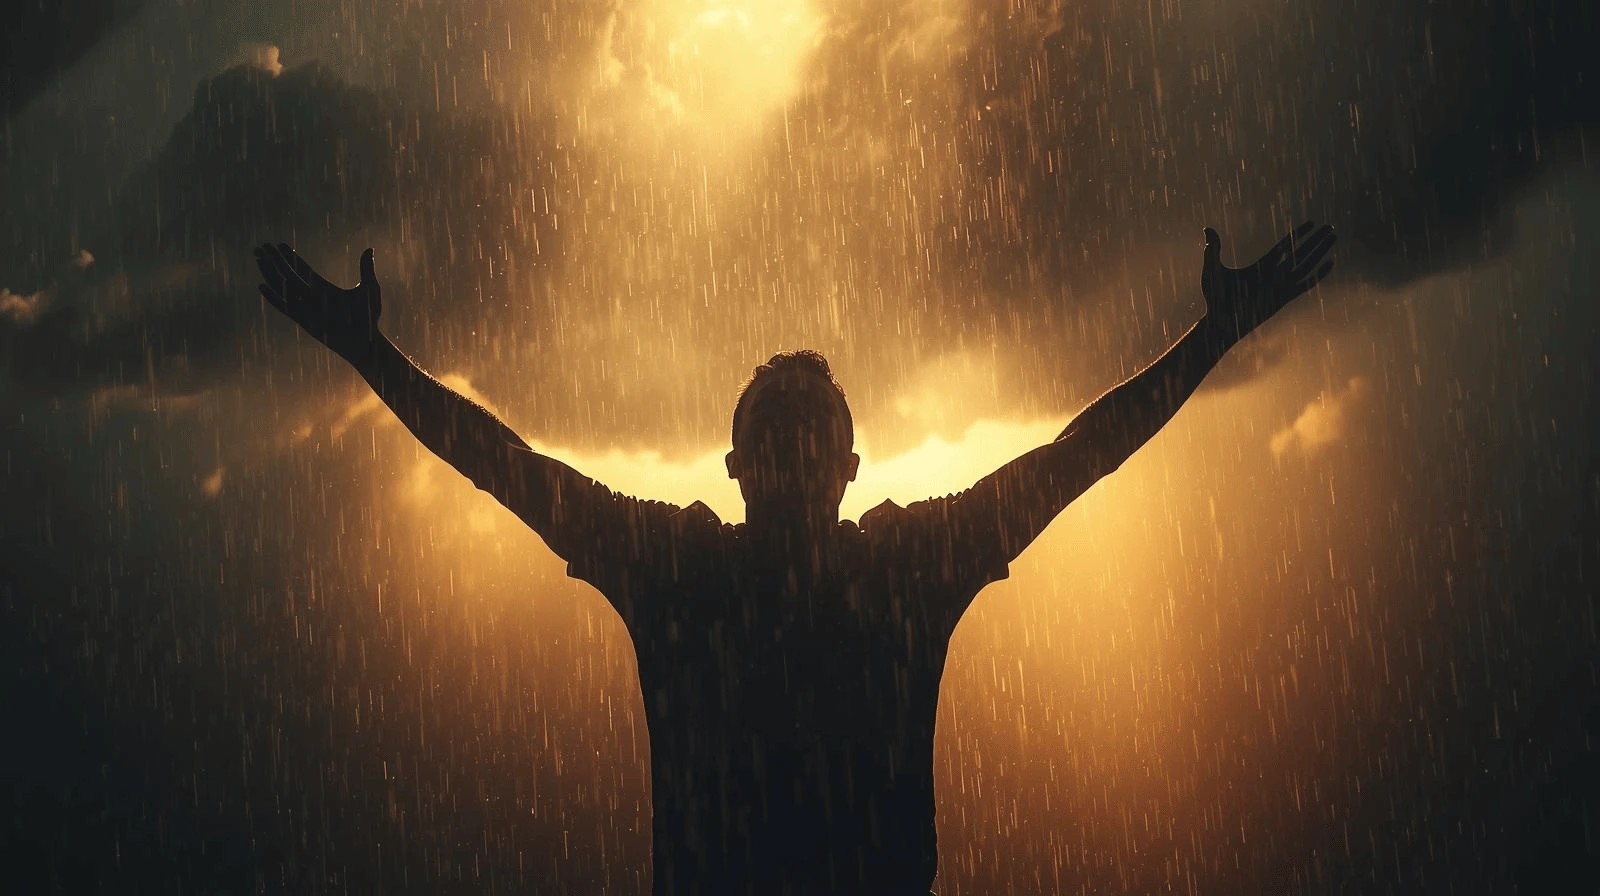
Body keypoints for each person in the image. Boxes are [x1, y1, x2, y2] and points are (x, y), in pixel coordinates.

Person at [253, 221, 1336, 895]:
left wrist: (1213, 337)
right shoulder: (849, 566)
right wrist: (369, 351)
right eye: (775, 424)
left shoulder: (721, 566)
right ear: (737, 463)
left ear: (845, 462)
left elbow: (1075, 456)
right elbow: (496, 457)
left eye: (802, 422)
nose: (788, 441)